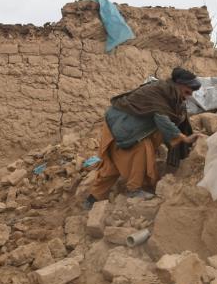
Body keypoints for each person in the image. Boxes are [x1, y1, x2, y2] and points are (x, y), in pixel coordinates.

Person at [84, 67, 201, 209]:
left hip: (127, 128)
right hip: (121, 128)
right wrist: (184, 138)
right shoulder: (158, 92)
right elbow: (162, 120)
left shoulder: (171, 96)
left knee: (115, 165)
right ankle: (134, 190)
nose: (187, 97)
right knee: (140, 153)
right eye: (187, 92)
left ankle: (92, 199)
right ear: (179, 85)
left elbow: (174, 120)